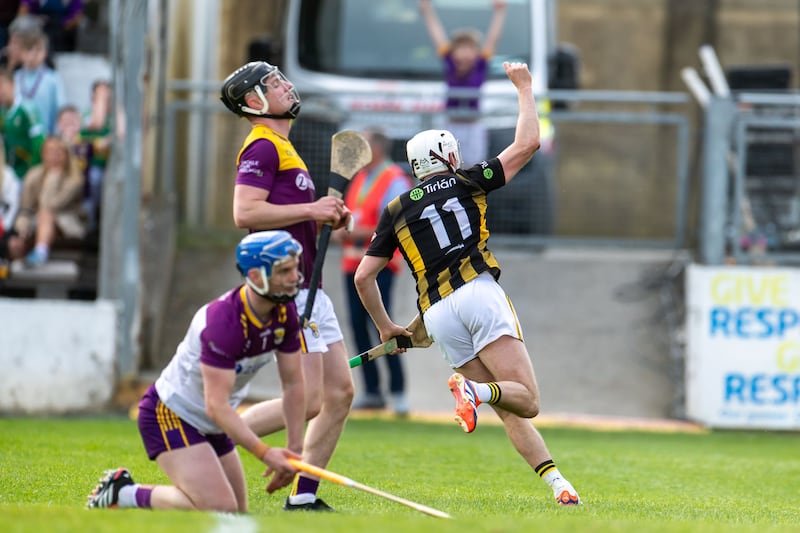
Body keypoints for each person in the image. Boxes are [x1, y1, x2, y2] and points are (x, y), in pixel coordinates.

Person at [354, 62, 581, 506]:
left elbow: (364, 277)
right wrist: (525, 87)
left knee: (507, 404)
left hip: (437, 316)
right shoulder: (466, 181)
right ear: (445, 157)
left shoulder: (396, 207)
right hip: (479, 295)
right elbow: (529, 142)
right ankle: (474, 392)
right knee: (528, 400)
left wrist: (386, 327)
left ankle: (559, 485)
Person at [86, 230, 307, 512]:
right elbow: (216, 405)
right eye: (284, 271)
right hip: (172, 414)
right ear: (255, 276)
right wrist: (265, 453)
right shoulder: (223, 323)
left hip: (213, 424)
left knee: (237, 512)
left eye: (294, 268)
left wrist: (294, 451)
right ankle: (123, 494)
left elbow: (293, 385)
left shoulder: (285, 313)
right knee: (221, 508)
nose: (294, 277)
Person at [221, 61, 354, 512]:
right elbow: (245, 213)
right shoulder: (261, 147)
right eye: (274, 83)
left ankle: (303, 498)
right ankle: (214, 432)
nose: (286, 85)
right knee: (313, 399)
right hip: (289, 289)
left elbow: (294, 213)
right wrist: (313, 210)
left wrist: (327, 215)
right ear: (254, 102)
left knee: (339, 394)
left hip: (309, 283)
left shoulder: (283, 147)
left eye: (282, 79)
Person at [332, 127, 412, 414]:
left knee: (383, 326)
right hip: (352, 264)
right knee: (357, 325)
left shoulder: (394, 179)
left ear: (376, 148)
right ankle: (373, 391)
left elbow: (392, 223)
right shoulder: (361, 178)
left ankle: (399, 391)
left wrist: (352, 231)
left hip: (380, 266)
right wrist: (341, 230)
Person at [419, 0, 506, 165]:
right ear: (454, 51)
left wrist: (499, 13)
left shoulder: (480, 65)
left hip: (473, 125)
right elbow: (437, 35)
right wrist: (427, 10)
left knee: (473, 166)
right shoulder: (450, 64)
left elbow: (493, 38)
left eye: (470, 48)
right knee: (448, 164)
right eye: (461, 48)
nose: (465, 53)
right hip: (452, 124)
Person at [7, 135, 86, 266]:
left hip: (66, 222)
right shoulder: (34, 175)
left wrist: (53, 176)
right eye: (49, 152)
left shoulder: (74, 179)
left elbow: (49, 204)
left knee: (46, 214)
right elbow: (26, 208)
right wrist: (22, 227)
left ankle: (40, 253)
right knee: (18, 235)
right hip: (36, 221)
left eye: (58, 152)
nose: (53, 157)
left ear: (66, 155)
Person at [14, 31, 65, 134]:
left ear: (45, 53)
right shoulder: (16, 77)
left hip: (45, 136)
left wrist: (55, 136)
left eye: (38, 50)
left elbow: (60, 109)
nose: (33, 54)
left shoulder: (52, 78)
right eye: (29, 49)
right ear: (21, 53)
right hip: (19, 135)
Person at [0, 66, 45, 179]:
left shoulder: (27, 108)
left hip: (28, 172)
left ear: (12, 84)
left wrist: (31, 170)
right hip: (9, 172)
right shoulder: (2, 112)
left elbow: (38, 142)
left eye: (1, 85)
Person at [17, 0, 83, 53]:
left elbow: (77, 16)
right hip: (38, 30)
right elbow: (23, 12)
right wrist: (35, 20)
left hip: (62, 34)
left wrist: (60, 23)